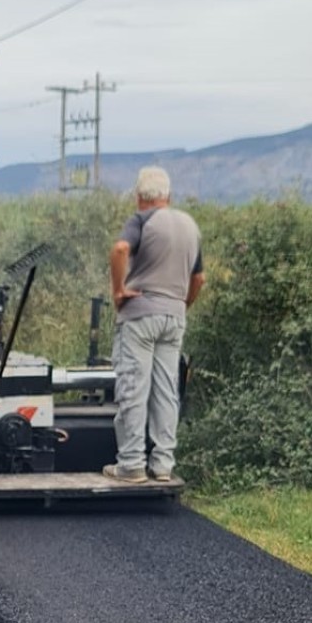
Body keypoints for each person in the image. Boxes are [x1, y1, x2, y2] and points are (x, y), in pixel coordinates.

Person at [103, 167, 205, 483]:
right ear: (168, 196)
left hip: (140, 315)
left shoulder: (141, 220)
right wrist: (182, 304)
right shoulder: (190, 226)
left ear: (139, 197)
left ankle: (132, 464)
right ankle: (162, 466)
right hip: (174, 318)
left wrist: (119, 290)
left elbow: (120, 249)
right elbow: (198, 278)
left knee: (134, 386)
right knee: (166, 390)